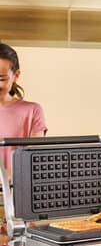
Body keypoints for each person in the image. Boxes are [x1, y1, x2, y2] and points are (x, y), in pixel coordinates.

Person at [0, 43, 47, 177]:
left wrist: (7, 179)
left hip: (17, 190)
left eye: (1, 79)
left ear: (16, 75)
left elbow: (33, 158)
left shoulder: (33, 111)